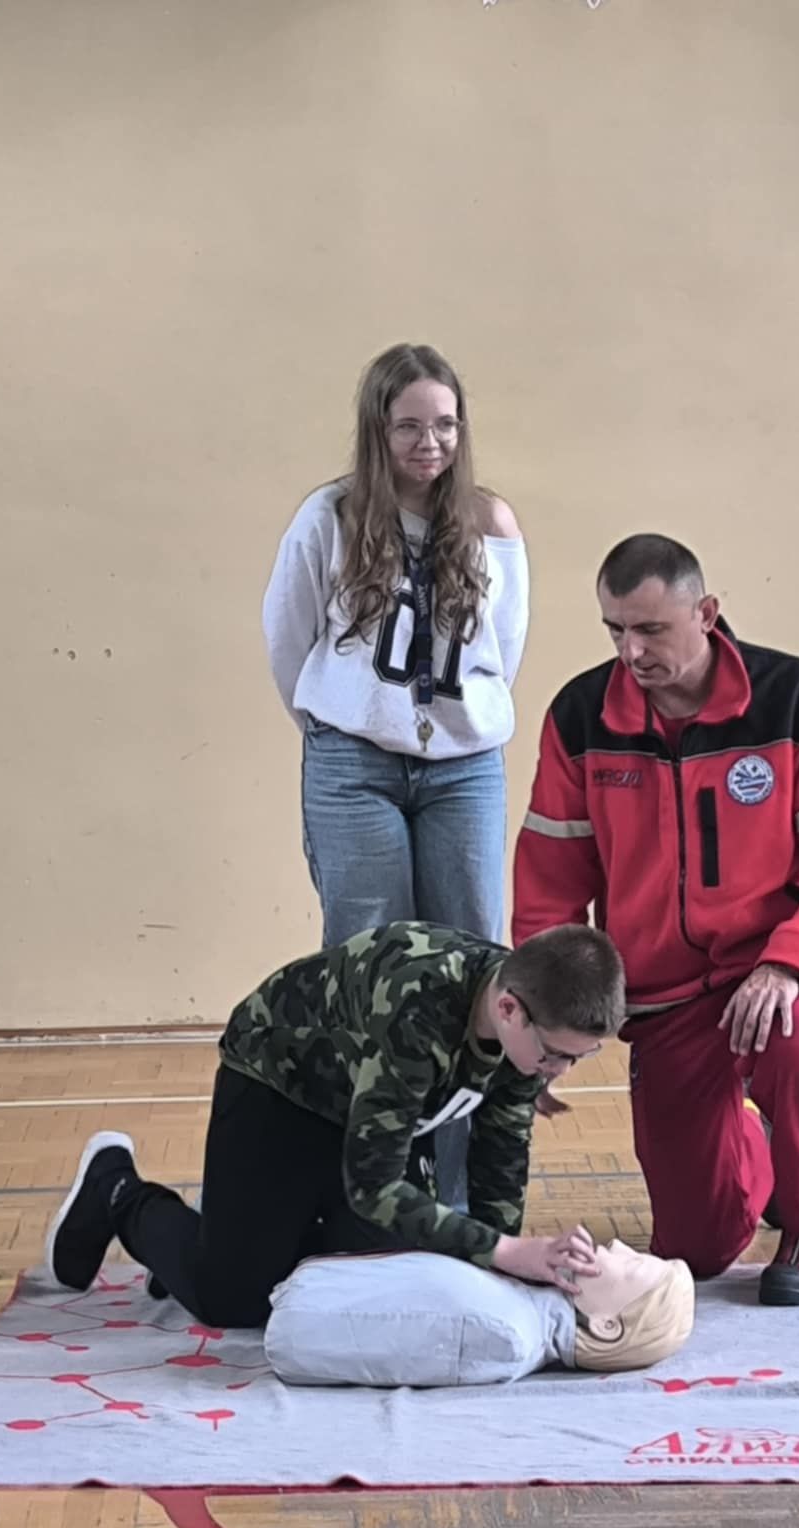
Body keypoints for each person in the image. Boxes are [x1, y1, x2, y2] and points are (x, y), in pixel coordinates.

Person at [511, 534, 799, 1307]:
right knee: (698, 1250)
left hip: (786, 972)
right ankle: (758, 1148)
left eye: (651, 630)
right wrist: (546, 1021)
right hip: (666, 996)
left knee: (794, 1038)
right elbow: (551, 882)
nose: (631, 652)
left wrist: (789, 961)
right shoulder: (582, 717)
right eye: (616, 630)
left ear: (707, 614)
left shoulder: (795, 697)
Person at [38, 920, 625, 1327]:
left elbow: (501, 1154)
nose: (560, 1072)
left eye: (579, 1058)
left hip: (374, 1111)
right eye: (557, 1055)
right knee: (234, 1302)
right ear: (508, 1009)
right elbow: (373, 1187)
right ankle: (119, 1192)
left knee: (391, 1277)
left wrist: (509, 1273)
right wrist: (503, 1250)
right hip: (280, 1087)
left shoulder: (530, 1031)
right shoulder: (419, 1006)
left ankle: (214, 1244)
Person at [261, 342, 529, 1204]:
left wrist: (451, 730)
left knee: (477, 966)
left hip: (462, 770)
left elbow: (502, 653)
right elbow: (287, 638)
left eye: (446, 425)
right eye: (410, 426)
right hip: (354, 766)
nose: (430, 443)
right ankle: (367, 1191)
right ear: (377, 428)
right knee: (368, 966)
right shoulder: (331, 517)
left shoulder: (490, 524)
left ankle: (456, 1197)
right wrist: (341, 725)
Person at [261, 1237, 697, 1386]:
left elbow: (296, 1331)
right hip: (307, 1281)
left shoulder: (503, 1335)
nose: (618, 1245)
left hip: (297, 1305)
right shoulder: (520, 1306)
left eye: (632, 1265)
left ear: (605, 1326)